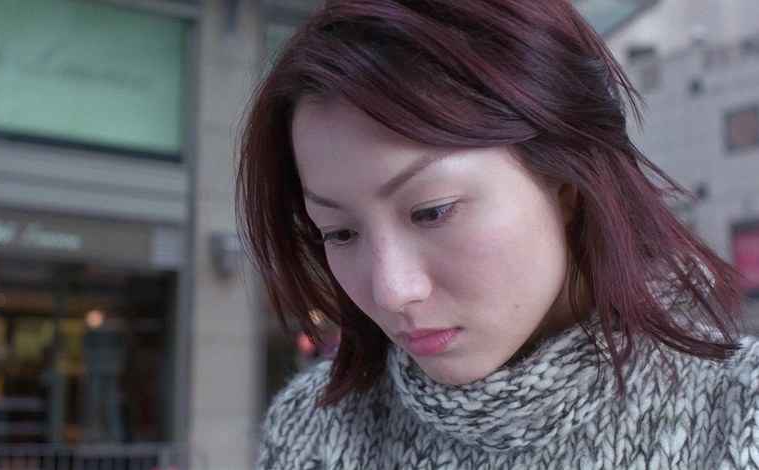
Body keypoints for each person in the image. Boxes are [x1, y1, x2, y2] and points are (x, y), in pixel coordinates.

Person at [237, 0, 759, 468]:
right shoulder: (312, 430)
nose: (391, 291)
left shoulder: (739, 418)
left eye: (432, 212)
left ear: (568, 183)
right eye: (340, 233)